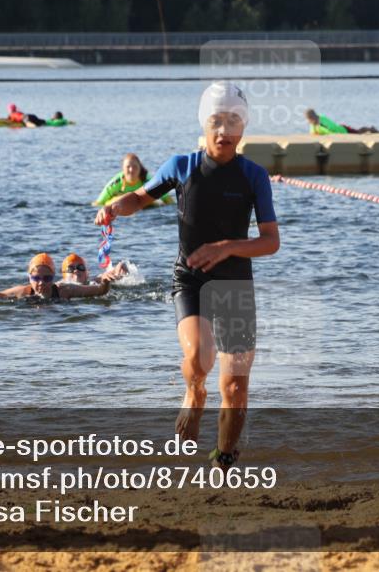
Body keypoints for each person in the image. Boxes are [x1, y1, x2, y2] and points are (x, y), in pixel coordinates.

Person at [94, 81, 280, 469]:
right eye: (216, 121)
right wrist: (115, 207)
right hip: (191, 279)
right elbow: (140, 198)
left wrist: (227, 246)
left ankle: (224, 461)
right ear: (204, 124)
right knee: (199, 358)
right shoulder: (182, 166)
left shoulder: (254, 176)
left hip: (234, 285)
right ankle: (194, 393)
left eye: (233, 122)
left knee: (234, 386)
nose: (224, 131)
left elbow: (269, 242)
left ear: (243, 128)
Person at [0, 253, 111, 303]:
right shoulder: (23, 292)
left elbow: (99, 291)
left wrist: (106, 281)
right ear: (29, 278)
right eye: (37, 279)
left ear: (54, 277)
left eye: (47, 278)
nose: (41, 282)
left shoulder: (64, 290)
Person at [93, 153, 171, 207]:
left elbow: (168, 201)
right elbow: (98, 203)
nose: (131, 170)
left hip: (146, 208)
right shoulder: (116, 183)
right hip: (121, 206)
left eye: (135, 166)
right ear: (123, 169)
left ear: (140, 168)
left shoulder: (148, 181)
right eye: (128, 167)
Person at [59, 253, 128, 285]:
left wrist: (119, 270)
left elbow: (121, 265)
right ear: (64, 274)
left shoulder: (93, 282)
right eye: (70, 268)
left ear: (87, 274)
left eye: (81, 267)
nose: (76, 270)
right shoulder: (59, 286)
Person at [304, 108, 379, 135]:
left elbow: (332, 129)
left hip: (343, 130)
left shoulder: (323, 121)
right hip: (340, 131)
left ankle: (371, 129)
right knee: (358, 132)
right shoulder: (313, 125)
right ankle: (370, 129)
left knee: (359, 132)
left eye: (309, 119)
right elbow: (313, 133)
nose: (309, 122)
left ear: (313, 117)